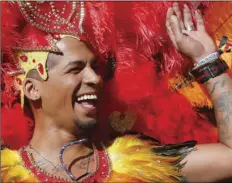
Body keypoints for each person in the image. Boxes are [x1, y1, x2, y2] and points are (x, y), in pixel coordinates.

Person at [1, 1, 232, 182]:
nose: (95, 78)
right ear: (32, 89)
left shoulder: (141, 167)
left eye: (95, 67)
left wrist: (206, 60)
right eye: (76, 69)